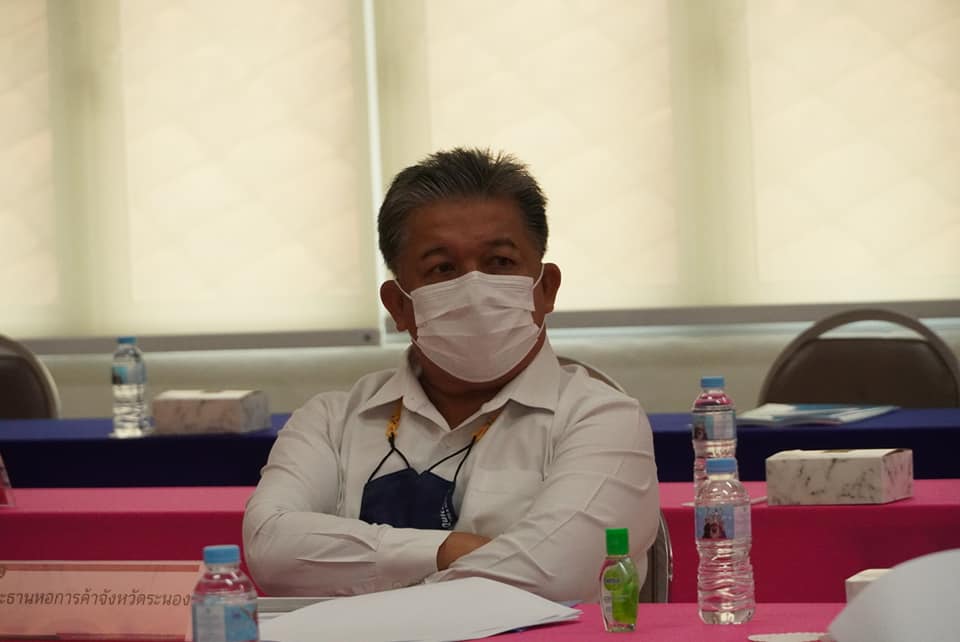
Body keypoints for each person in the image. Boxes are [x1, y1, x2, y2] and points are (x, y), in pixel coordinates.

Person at [242, 147, 660, 602]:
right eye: (442, 268)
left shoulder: (604, 419)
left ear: (545, 289)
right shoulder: (332, 422)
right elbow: (270, 549)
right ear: (399, 306)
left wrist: (370, 574)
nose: (473, 287)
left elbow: (555, 574)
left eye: (500, 262)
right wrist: (446, 550)